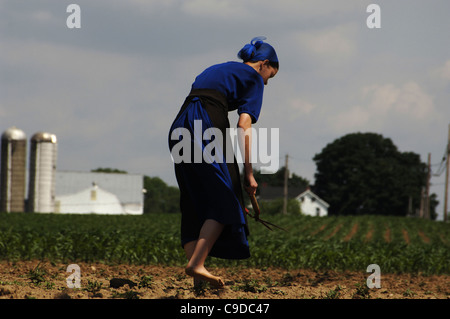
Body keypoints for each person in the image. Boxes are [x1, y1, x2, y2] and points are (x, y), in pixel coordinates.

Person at [168, 37, 278, 287]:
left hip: (180, 125)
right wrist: (249, 174)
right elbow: (243, 125)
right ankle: (196, 264)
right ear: (264, 64)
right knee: (227, 198)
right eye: (269, 77)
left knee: (193, 199)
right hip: (207, 122)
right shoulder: (253, 78)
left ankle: (199, 278)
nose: (266, 84)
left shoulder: (217, 68)